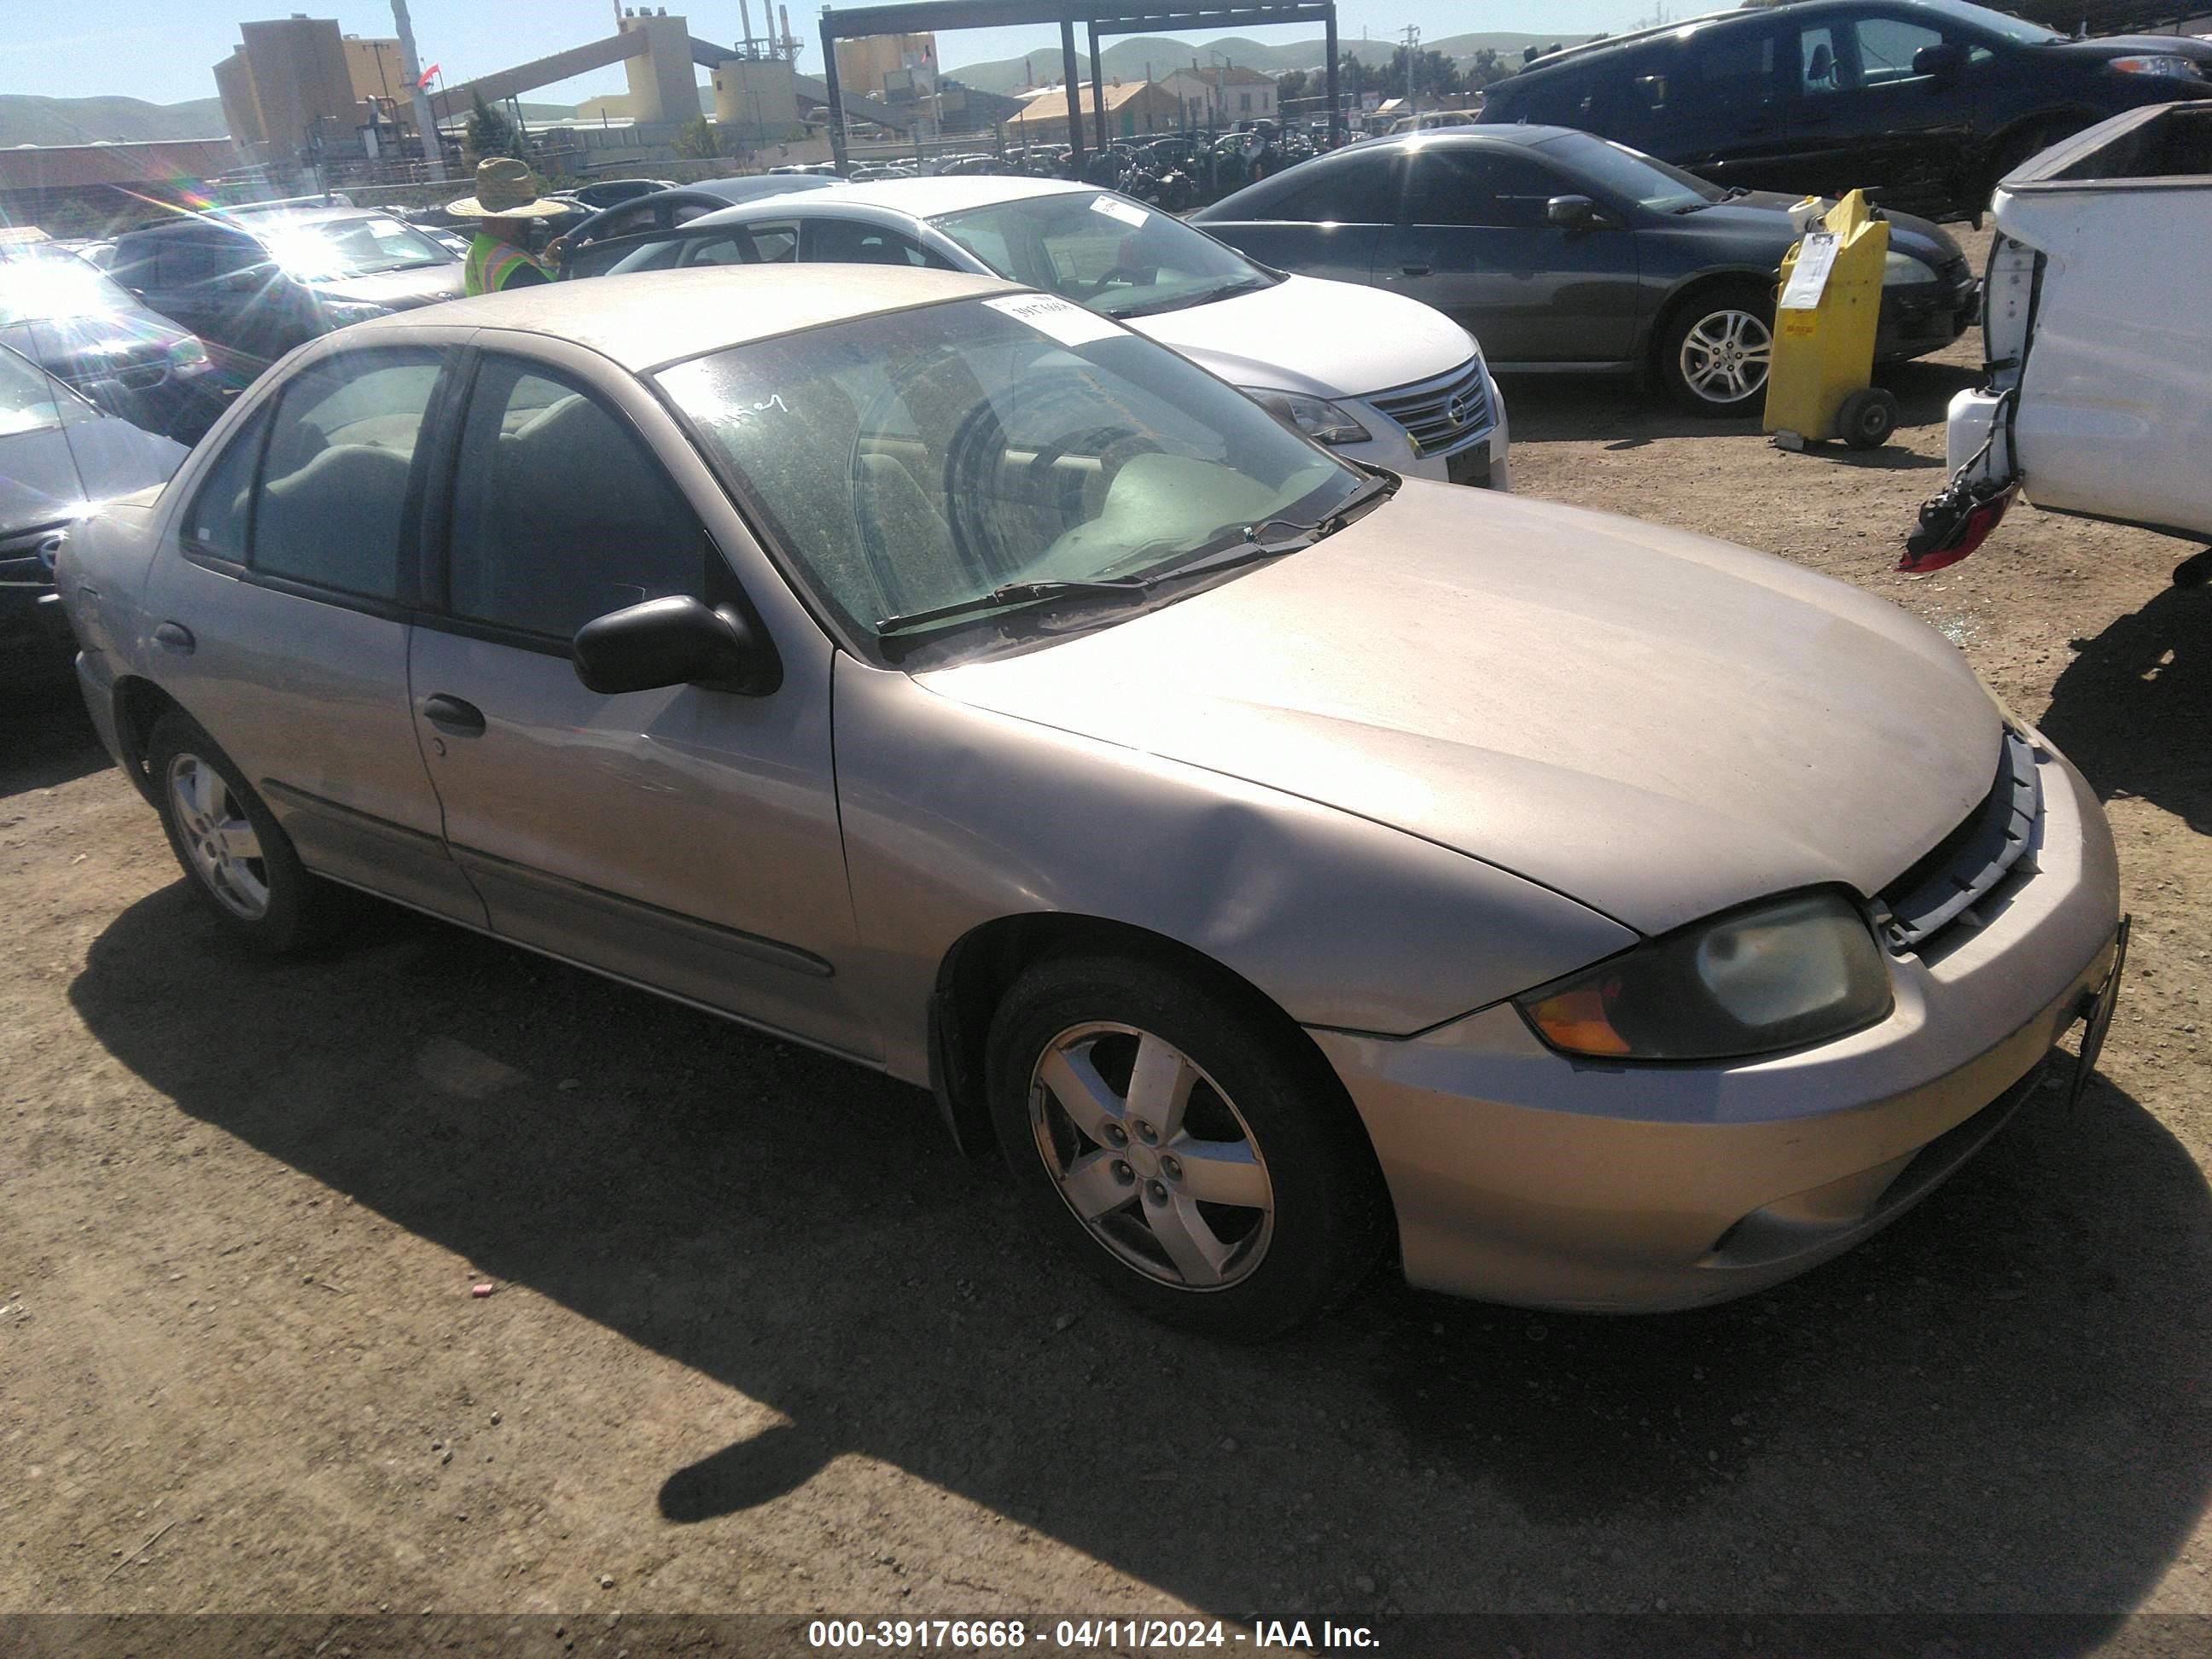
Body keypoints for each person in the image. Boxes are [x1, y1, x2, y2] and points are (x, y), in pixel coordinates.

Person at [445, 157, 574, 296]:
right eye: (524, 219)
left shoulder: (480, 250)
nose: (531, 223)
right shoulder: (516, 268)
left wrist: (548, 264)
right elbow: (561, 303)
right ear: (502, 219)